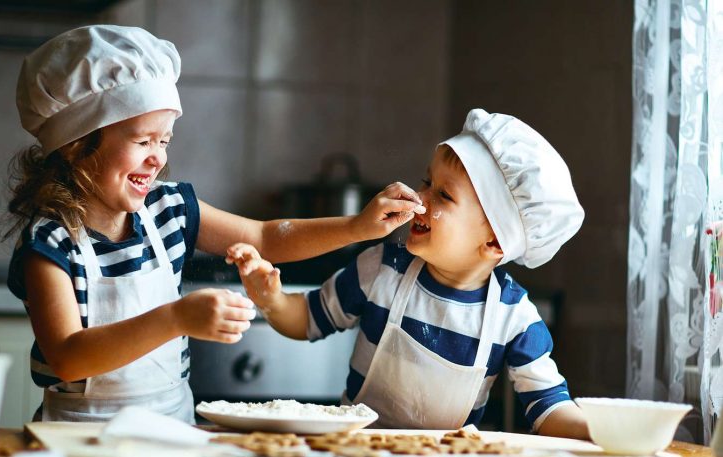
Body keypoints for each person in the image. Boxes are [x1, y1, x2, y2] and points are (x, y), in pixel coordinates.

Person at [3, 25, 426, 423]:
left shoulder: (170, 209)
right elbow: (66, 356)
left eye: (165, 140)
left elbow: (265, 236)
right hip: (76, 442)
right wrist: (175, 318)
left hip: (171, 433)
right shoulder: (51, 242)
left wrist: (356, 228)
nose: (158, 158)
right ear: (78, 146)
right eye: (143, 140)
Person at [227, 108, 591, 439]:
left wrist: (602, 431)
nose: (420, 198)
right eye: (425, 182)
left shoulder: (514, 317)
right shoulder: (382, 269)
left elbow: (549, 408)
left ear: (495, 242)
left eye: (443, 196)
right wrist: (271, 299)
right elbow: (306, 319)